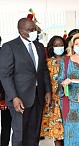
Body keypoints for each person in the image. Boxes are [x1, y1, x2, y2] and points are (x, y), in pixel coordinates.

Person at [0, 18, 51, 146]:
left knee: (34, 134)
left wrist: (48, 90)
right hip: (19, 99)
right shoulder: (9, 47)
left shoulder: (39, 46)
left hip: (38, 97)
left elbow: (43, 70)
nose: (33, 32)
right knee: (20, 134)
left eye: (34, 29)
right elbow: (5, 75)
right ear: (20, 30)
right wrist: (14, 97)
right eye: (30, 30)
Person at [40, 36, 67, 146]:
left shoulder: (69, 60)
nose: (59, 47)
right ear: (51, 47)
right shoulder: (47, 62)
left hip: (68, 100)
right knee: (57, 133)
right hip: (54, 101)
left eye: (61, 45)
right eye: (56, 45)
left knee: (68, 130)